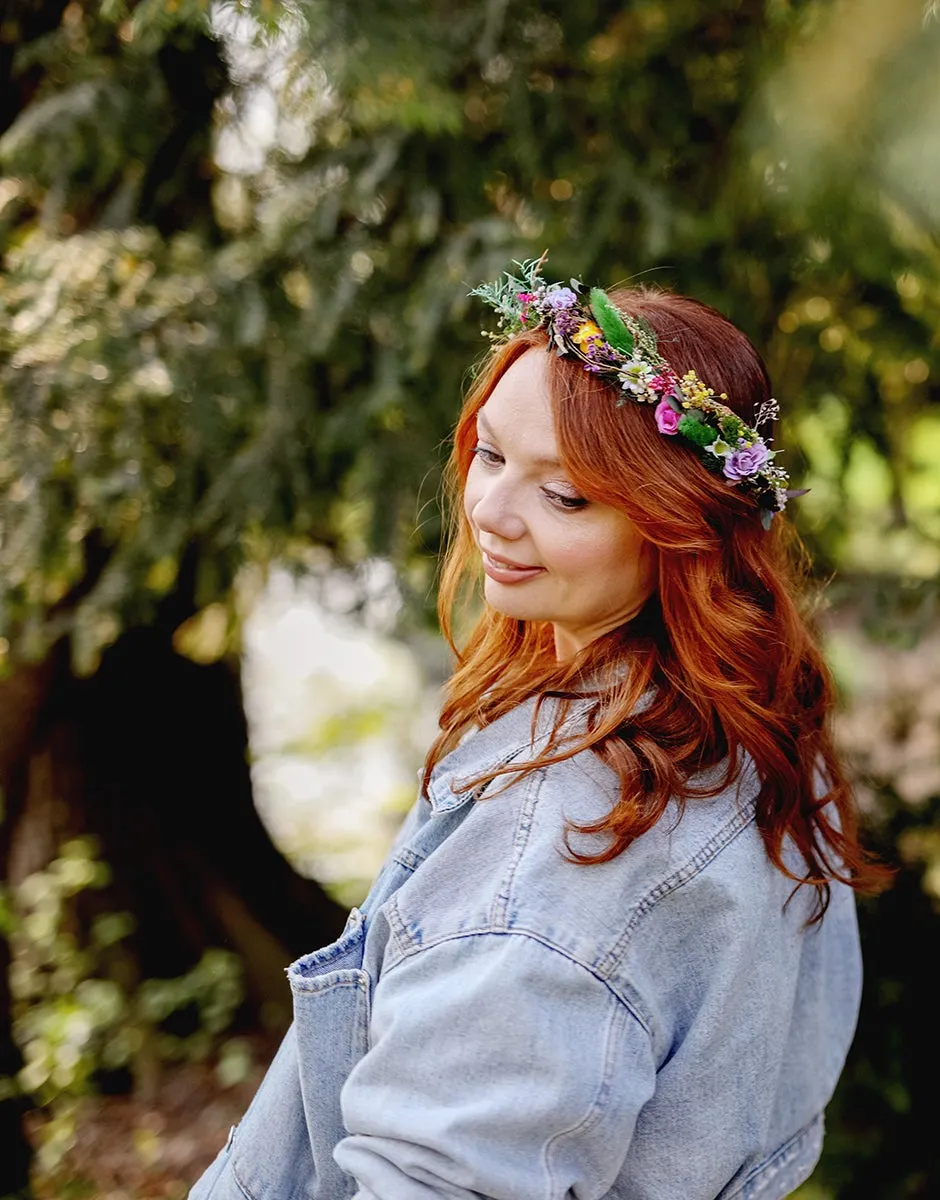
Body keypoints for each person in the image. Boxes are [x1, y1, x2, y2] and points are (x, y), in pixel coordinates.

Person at [190, 258, 886, 1199]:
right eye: (491, 454)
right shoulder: (761, 734)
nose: (488, 512)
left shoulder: (557, 855)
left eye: (565, 496)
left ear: (678, 528)